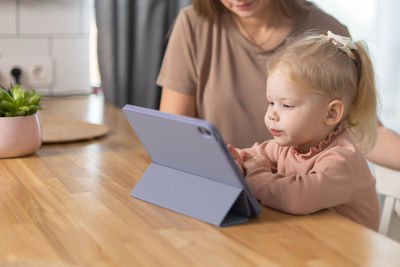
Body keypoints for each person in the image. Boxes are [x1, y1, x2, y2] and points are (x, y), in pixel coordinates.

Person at [157, 0, 400, 170]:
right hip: (222, 191)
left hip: (304, 203)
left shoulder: (326, 36)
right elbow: (175, 134)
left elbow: (364, 132)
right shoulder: (194, 24)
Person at [227, 31, 380, 230]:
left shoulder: (342, 161)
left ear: (331, 113)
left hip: (348, 257)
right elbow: (255, 154)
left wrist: (256, 173)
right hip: (311, 247)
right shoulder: (291, 145)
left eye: (287, 105)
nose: (272, 114)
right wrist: (235, 160)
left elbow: (296, 197)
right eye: (271, 102)